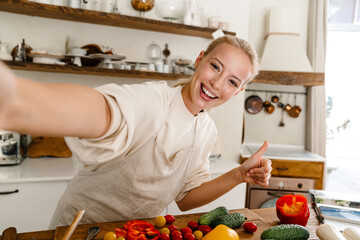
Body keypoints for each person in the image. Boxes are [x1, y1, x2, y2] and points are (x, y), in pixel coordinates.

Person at [0, 35, 272, 228]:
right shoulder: (153, 100)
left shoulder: (206, 131)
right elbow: (106, 112)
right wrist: (15, 99)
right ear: (199, 60)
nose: (216, 82)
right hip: (82, 228)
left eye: (232, 81)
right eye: (215, 66)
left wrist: (239, 175)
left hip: (137, 232)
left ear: (238, 91)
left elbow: (187, 200)